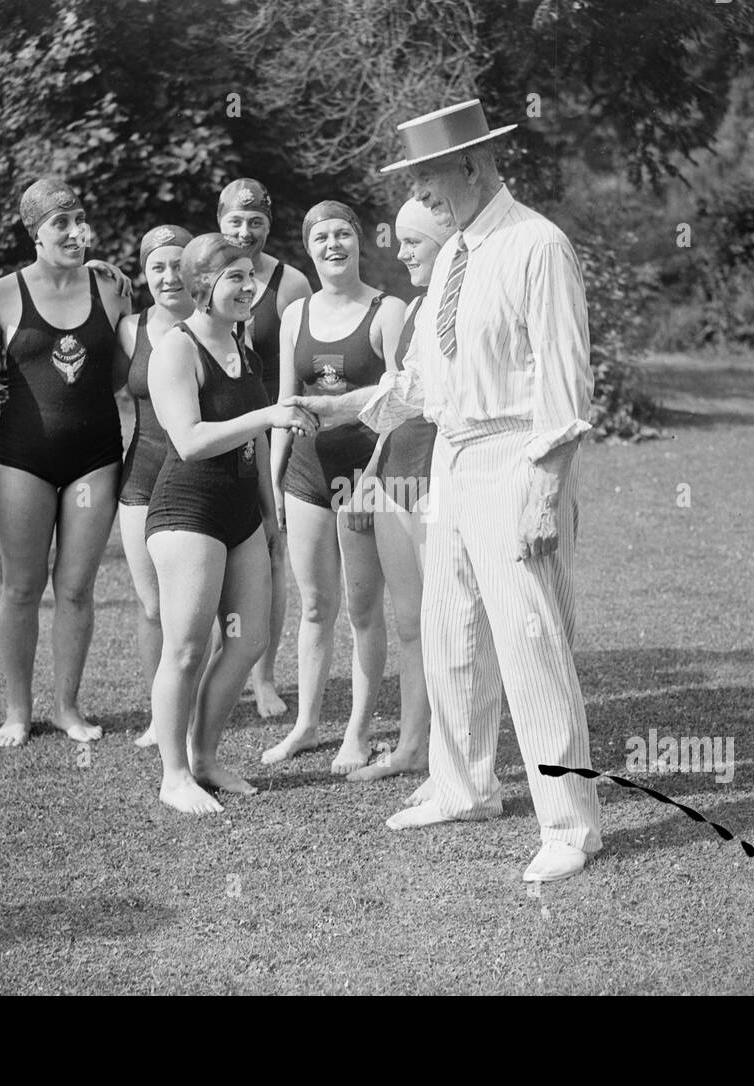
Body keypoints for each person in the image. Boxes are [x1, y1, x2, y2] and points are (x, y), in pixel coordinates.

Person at [292, 100, 601, 882]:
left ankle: (570, 824)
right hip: (454, 462)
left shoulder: (537, 245)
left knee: (530, 643)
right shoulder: (455, 256)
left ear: (473, 165)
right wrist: (339, 406)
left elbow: (566, 383)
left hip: (518, 456)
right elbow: (423, 382)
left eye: (427, 176)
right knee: (449, 629)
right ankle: (462, 786)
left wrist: (545, 490)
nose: (420, 193)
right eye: (415, 179)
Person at [144, 232, 318, 813]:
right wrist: (267, 413)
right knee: (187, 649)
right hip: (188, 511)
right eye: (232, 278)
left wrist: (270, 518)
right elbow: (190, 442)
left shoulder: (242, 344)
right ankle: (174, 776)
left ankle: (205, 758)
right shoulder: (178, 348)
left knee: (247, 641)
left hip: (244, 512)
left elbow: (257, 440)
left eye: (249, 276)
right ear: (201, 286)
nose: (247, 287)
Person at [0, 177, 131, 748]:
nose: (74, 231)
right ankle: (18, 710)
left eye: (79, 219)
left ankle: (67, 706)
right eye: (59, 224)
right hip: (24, 458)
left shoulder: (113, 289)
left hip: (94, 457)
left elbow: (118, 373)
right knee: (21, 587)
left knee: (75, 587)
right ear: (34, 234)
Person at [261, 201, 405, 773]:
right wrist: (274, 482)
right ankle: (305, 725)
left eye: (343, 233)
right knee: (316, 606)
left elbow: (400, 405)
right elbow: (284, 405)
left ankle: (359, 730)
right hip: (304, 475)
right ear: (309, 246)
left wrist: (374, 480)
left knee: (364, 611)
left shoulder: (386, 310)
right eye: (321, 237)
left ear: (359, 241)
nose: (333, 245)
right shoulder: (295, 314)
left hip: (363, 478)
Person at [345, 198, 455, 783]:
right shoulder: (414, 306)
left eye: (414, 242)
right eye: (402, 241)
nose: (400, 251)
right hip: (394, 475)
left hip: (442, 479)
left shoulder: (469, 300)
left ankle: (455, 753)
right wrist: (369, 475)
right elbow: (397, 399)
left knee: (448, 623)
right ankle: (412, 745)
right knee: (410, 620)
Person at [218, 178, 313, 718]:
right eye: (235, 220)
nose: (245, 231)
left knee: (274, 552)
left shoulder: (291, 282)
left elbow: (294, 373)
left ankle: (265, 677)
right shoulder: (202, 268)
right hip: (214, 430)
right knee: (213, 552)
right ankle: (215, 667)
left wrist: (281, 448)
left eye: (255, 222)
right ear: (220, 220)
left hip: (272, 428)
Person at [117, 224, 196, 746]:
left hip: (197, 478)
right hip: (141, 476)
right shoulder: (128, 328)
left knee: (194, 610)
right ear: (143, 275)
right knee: (151, 606)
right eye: (156, 267)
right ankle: (157, 714)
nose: (169, 276)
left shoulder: (219, 320)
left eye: (177, 265)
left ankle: (192, 712)